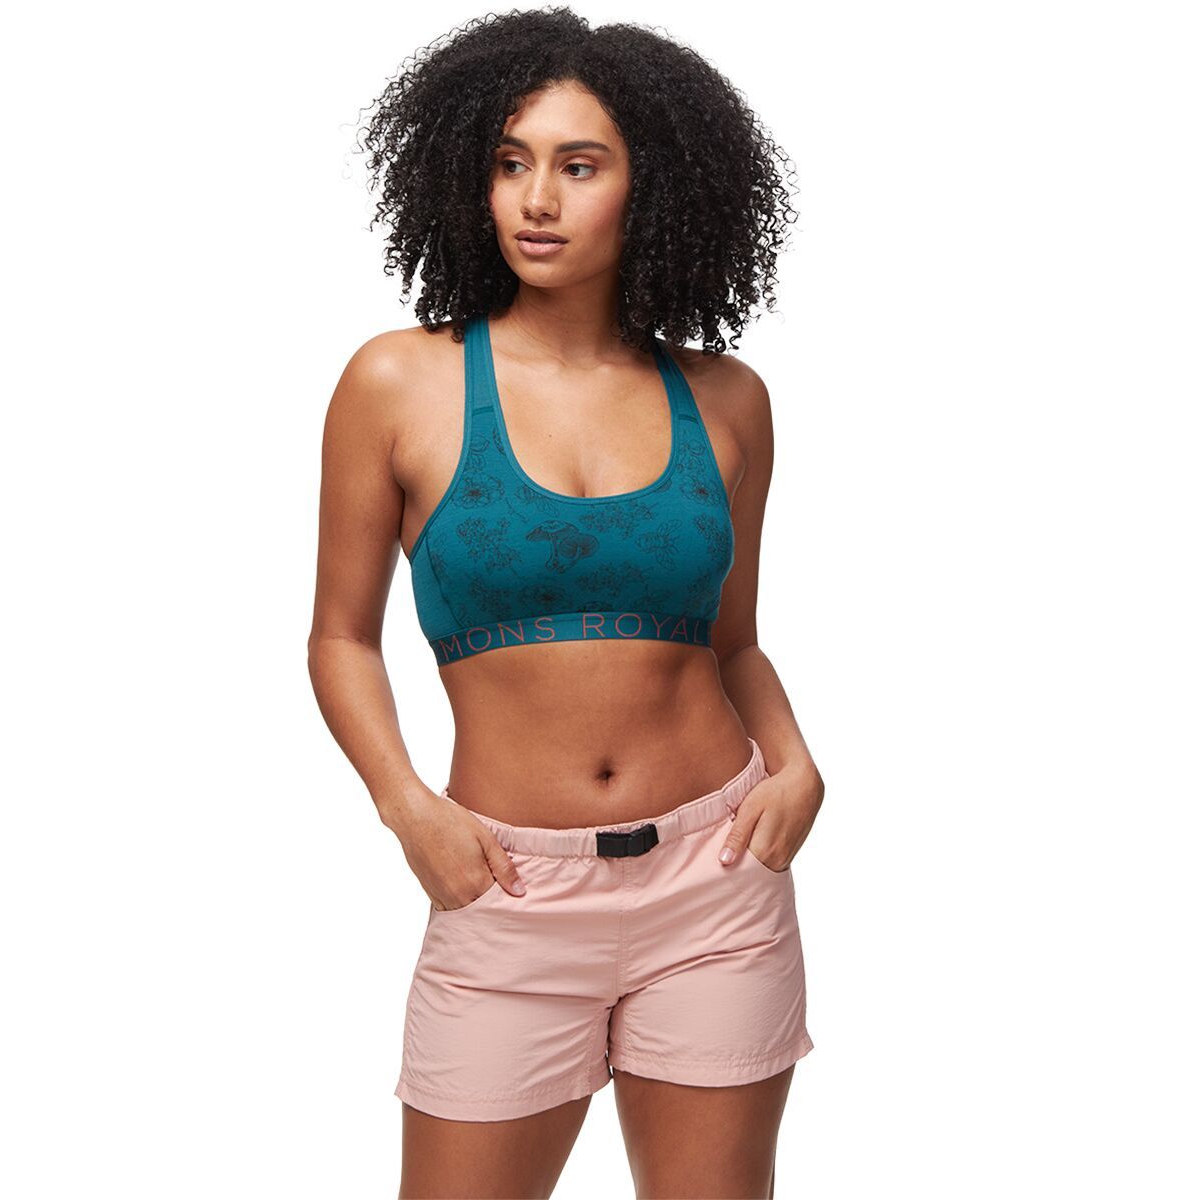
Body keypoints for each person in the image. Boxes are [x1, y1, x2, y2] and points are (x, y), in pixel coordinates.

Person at [308, 9, 823, 1197]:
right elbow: (339, 636)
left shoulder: (729, 400)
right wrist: (407, 807)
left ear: (657, 186)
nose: (536, 199)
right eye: (509, 162)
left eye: (579, 166)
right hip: (508, 885)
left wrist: (797, 766)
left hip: (717, 880)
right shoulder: (400, 381)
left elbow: (734, 643)